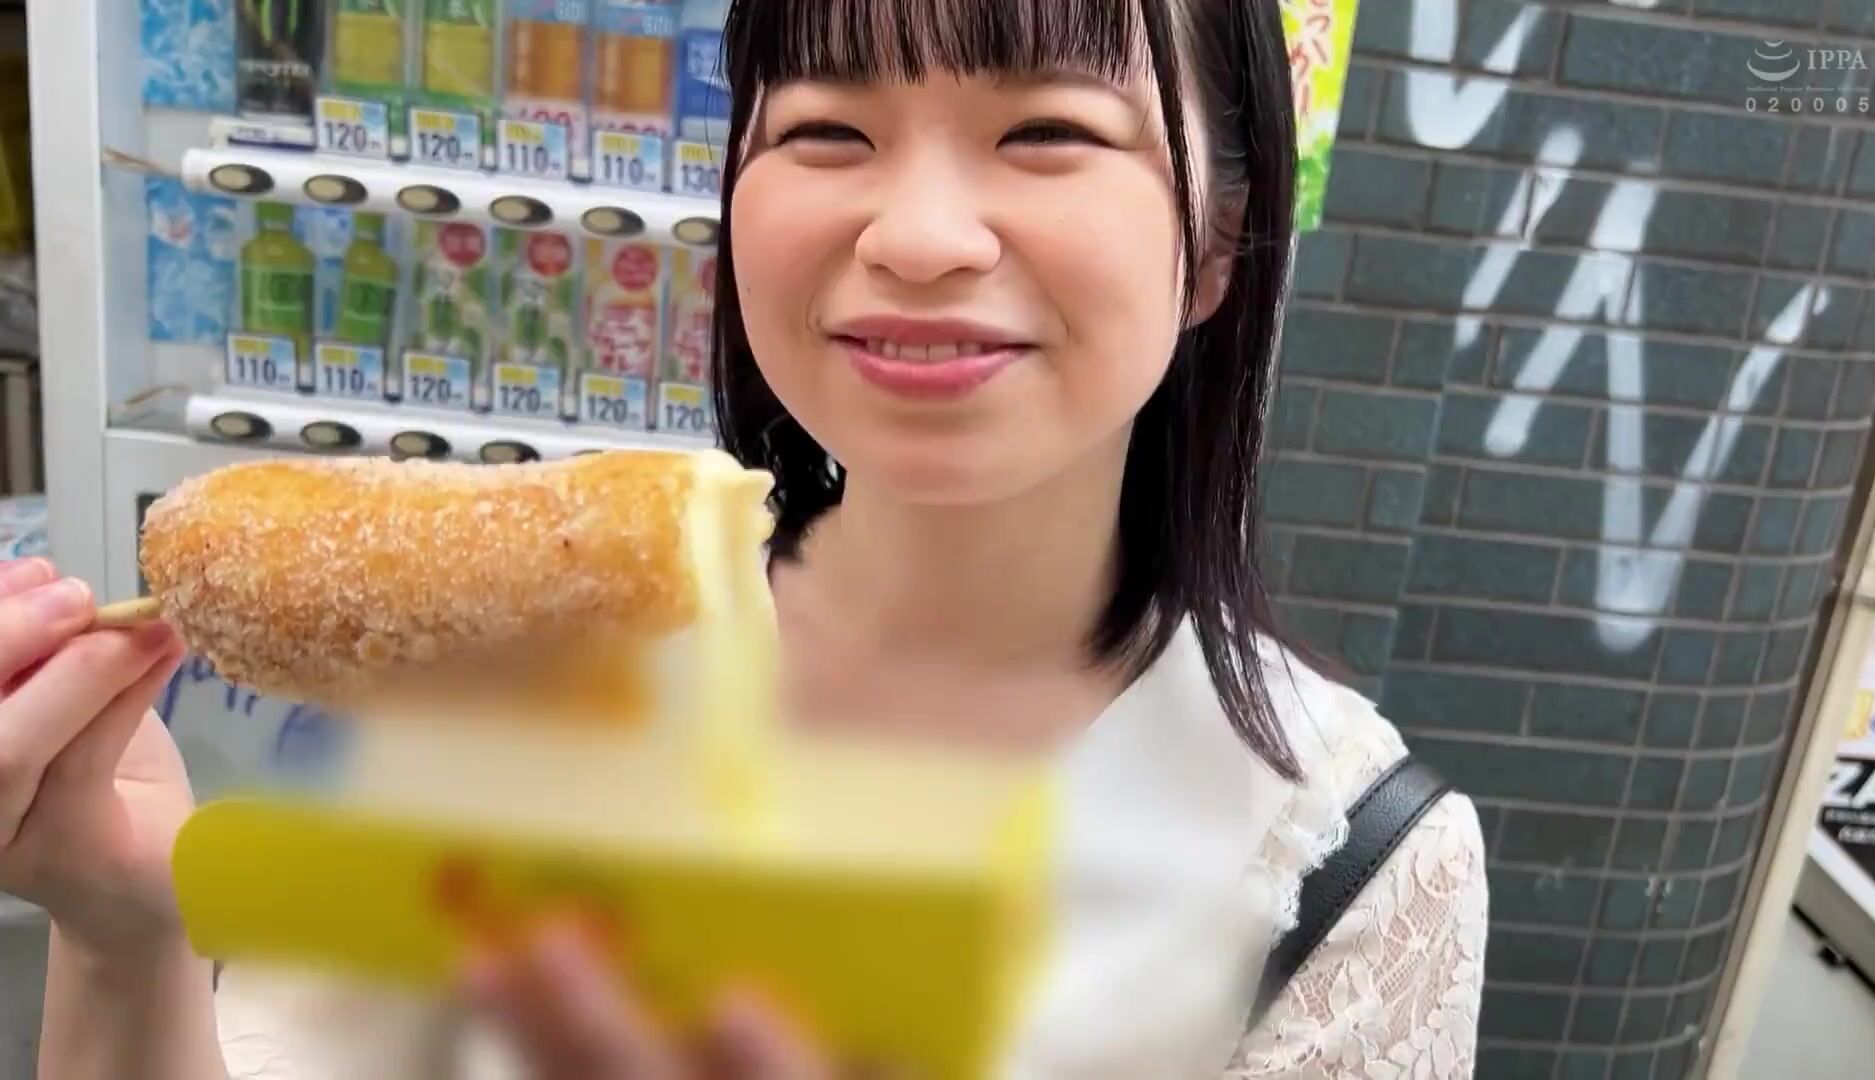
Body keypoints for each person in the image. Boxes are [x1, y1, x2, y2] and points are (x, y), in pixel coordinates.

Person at [3, 0, 1488, 1076]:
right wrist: (127, 931)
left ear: (1217, 241)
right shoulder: (527, 668)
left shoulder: (1351, 869)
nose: (916, 236)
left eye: (1046, 131)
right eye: (828, 130)